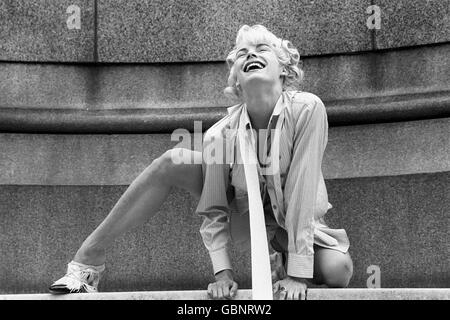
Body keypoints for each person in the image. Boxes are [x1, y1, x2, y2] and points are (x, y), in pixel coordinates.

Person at [49, 25, 353, 300]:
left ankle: (282, 260)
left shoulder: (308, 109)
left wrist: (297, 275)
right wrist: (223, 274)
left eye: (262, 50)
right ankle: (88, 262)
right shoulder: (219, 134)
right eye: (242, 54)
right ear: (236, 80)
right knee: (173, 159)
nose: (251, 55)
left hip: (294, 221)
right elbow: (214, 207)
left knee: (339, 269)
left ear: (284, 70)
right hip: (244, 211)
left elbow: (301, 188)